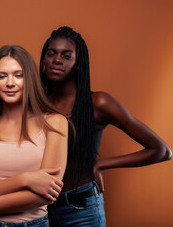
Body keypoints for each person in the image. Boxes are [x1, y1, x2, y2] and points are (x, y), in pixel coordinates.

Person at [39, 26, 172, 226]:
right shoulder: (37, 105)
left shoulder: (97, 103)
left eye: (67, 56)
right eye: (51, 54)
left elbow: (162, 151)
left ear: (78, 64)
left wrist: (101, 164)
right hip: (40, 210)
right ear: (43, 59)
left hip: (81, 210)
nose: (57, 60)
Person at [0, 45, 69, 227]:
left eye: (18, 75)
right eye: (2, 76)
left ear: (30, 79)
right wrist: (26, 179)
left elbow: (45, 195)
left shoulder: (55, 123)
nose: (10, 83)